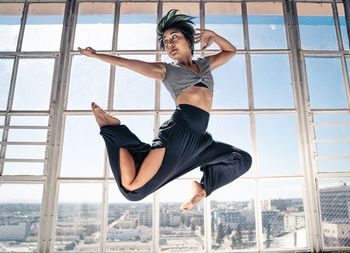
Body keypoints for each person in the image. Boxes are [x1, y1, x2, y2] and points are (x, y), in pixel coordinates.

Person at [78, 9, 252, 211]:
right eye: (166, 42)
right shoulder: (167, 71)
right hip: (177, 135)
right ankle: (114, 130)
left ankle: (202, 188)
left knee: (242, 159)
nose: (169, 44)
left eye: (174, 37)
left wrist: (213, 36)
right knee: (132, 190)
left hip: (200, 140)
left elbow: (230, 51)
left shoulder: (205, 65)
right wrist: (97, 55)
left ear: (189, 41)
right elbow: (128, 64)